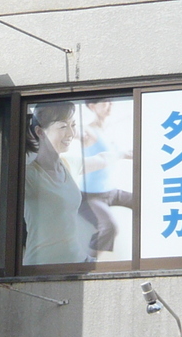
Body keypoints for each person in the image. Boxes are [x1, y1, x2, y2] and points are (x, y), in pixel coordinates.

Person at [23, 102, 88, 265]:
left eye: (73, 125)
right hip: (43, 268)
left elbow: (101, 159)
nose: (71, 133)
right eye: (63, 126)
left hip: (78, 262)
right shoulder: (29, 176)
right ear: (40, 132)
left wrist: (125, 153)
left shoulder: (68, 164)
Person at [77, 99, 133, 257]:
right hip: (91, 196)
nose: (110, 105)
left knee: (143, 202)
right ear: (92, 106)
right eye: (104, 102)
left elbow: (116, 154)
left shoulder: (108, 130)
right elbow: (76, 133)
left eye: (111, 102)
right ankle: (88, 262)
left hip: (111, 192)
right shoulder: (87, 131)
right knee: (110, 227)